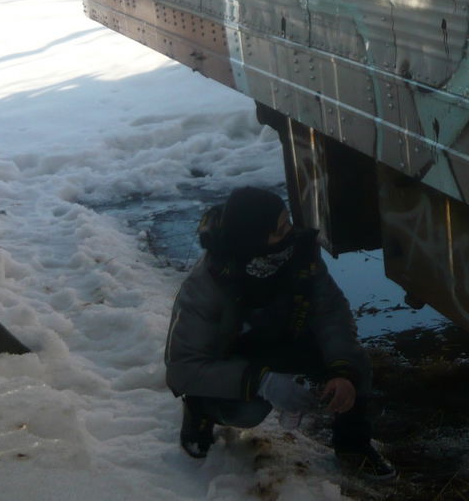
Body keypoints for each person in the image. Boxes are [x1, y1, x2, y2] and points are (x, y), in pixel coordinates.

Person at [164, 186, 395, 480]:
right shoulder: (207, 285)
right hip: (235, 359)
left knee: (353, 361)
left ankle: (353, 446)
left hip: (284, 337)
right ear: (253, 241)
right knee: (247, 412)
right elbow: (182, 369)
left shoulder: (301, 255)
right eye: (279, 230)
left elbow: (331, 314)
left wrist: (342, 372)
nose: (290, 235)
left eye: (288, 223)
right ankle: (199, 410)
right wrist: (263, 382)